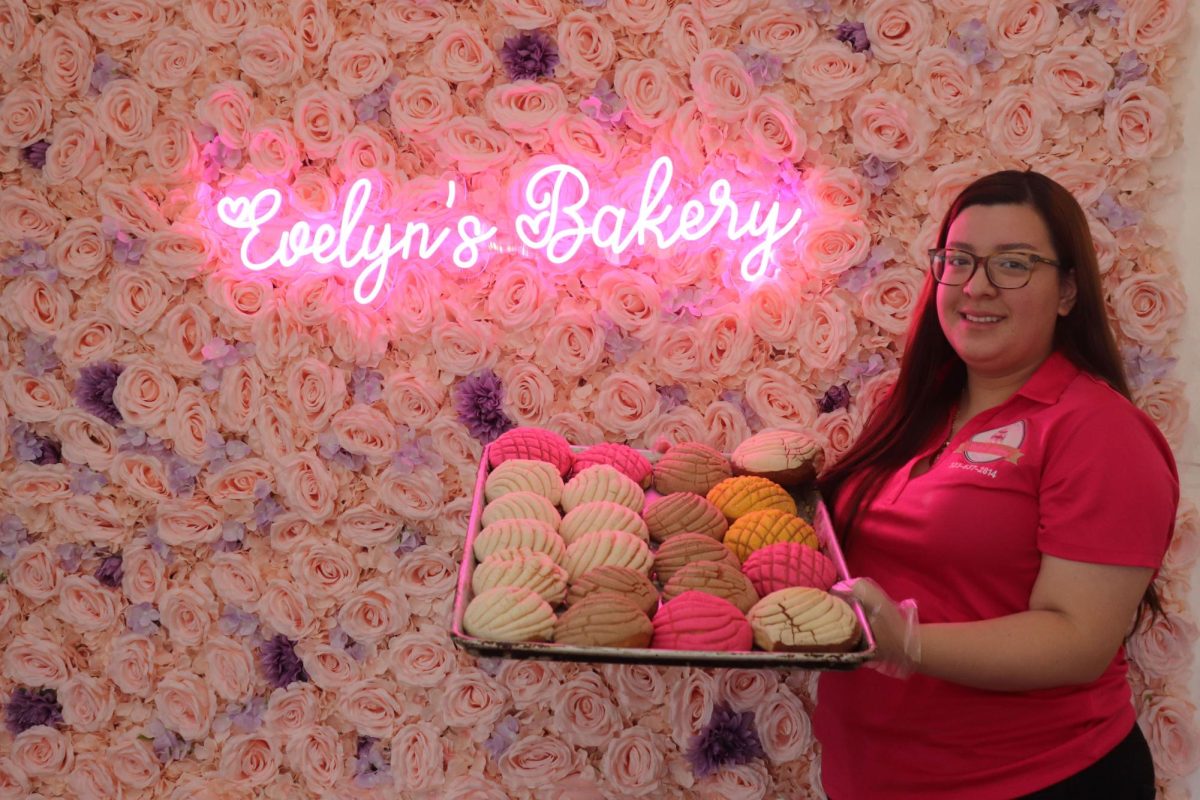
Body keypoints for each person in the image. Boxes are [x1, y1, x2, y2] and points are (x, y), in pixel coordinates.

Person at [812, 170, 1178, 800]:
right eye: (959, 260)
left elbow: (1077, 639)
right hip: (876, 777)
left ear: (1067, 290)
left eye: (1013, 263)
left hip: (1034, 781)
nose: (977, 286)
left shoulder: (1098, 430)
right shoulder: (915, 411)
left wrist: (908, 640)